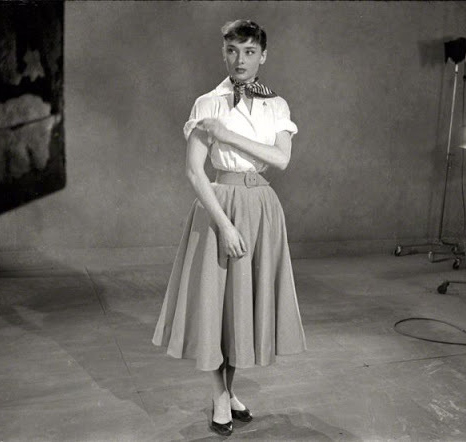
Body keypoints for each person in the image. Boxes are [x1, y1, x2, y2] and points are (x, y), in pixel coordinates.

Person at [152, 19, 306, 437]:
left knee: (243, 307)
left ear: (263, 55)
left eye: (250, 51)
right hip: (221, 207)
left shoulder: (277, 105)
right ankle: (219, 395)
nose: (241, 60)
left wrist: (228, 136)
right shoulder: (208, 103)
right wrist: (223, 225)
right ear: (224, 53)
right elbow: (194, 171)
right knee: (219, 305)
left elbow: (281, 160)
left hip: (263, 210)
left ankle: (230, 390)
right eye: (233, 51)